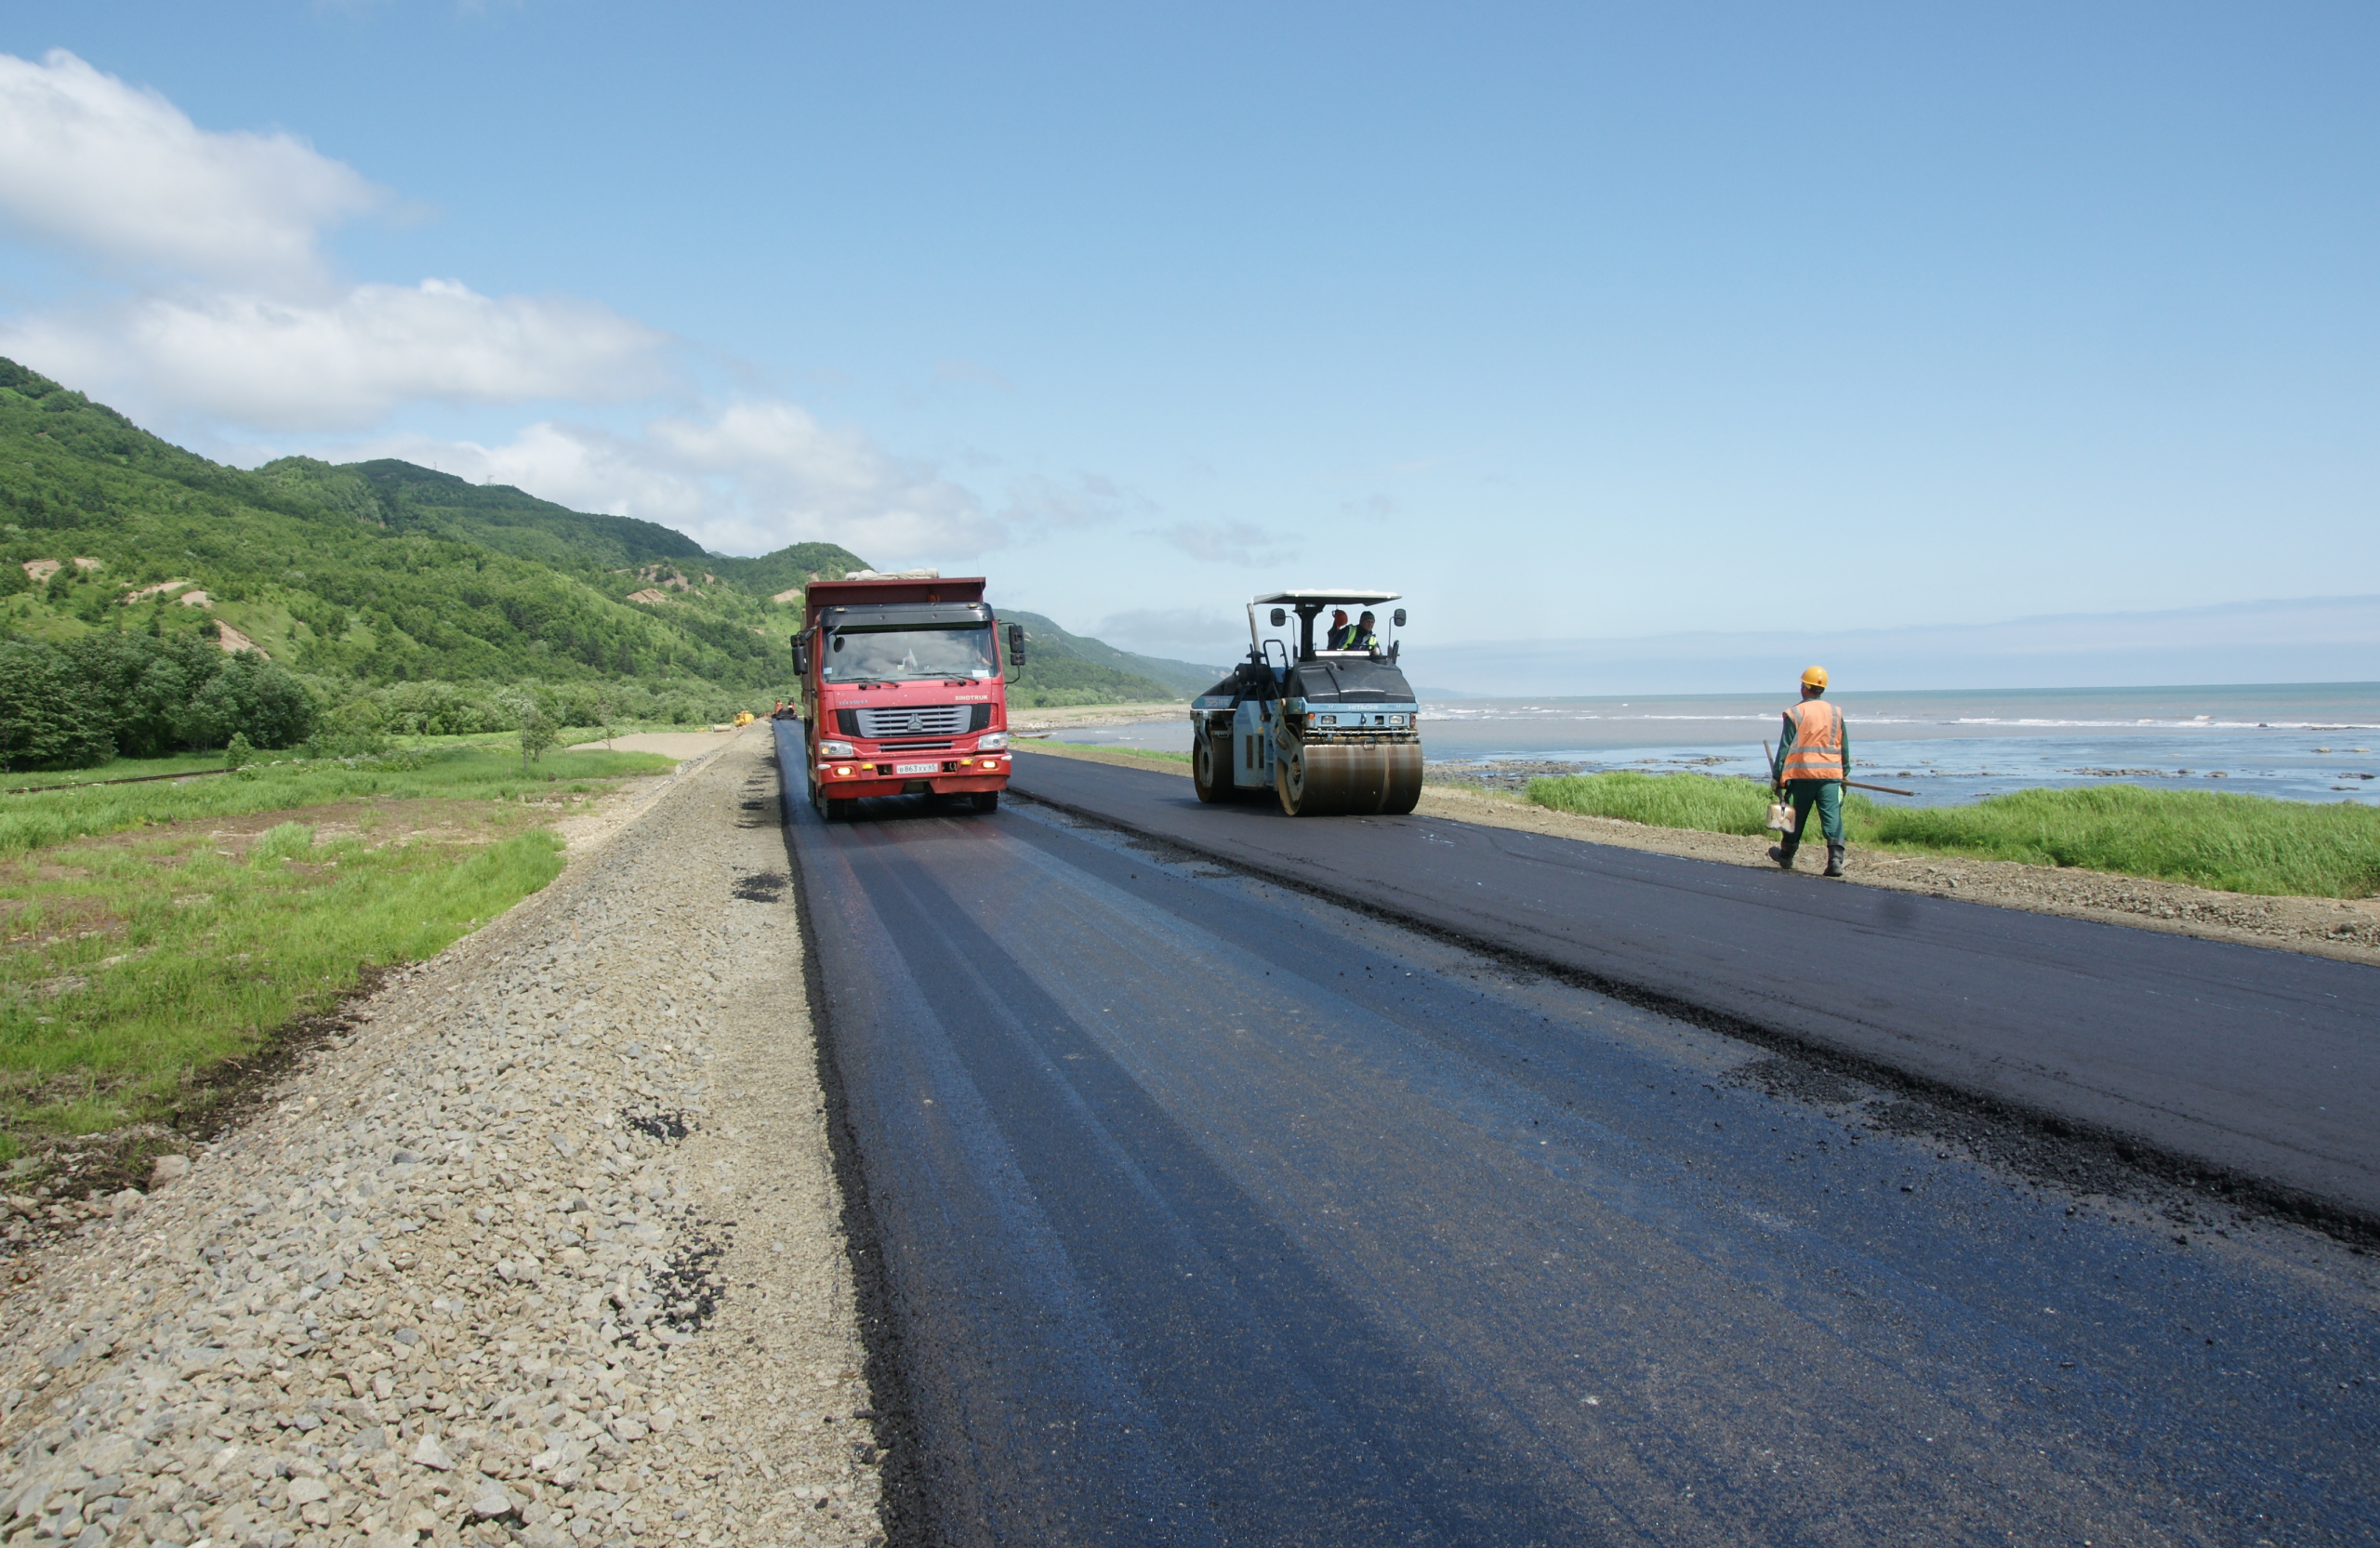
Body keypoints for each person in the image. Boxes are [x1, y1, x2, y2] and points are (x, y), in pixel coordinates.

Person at [1769, 665, 1850, 877]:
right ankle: (1835, 861)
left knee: (1795, 817)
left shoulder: (1796, 712)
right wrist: (1845, 772)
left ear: (1804, 687)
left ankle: (1786, 856)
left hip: (1803, 775)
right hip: (1831, 775)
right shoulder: (1835, 712)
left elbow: (1785, 747)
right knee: (1832, 817)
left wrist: (1778, 776)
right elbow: (1844, 745)